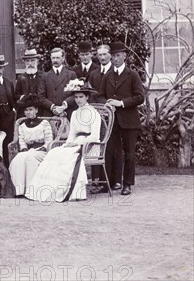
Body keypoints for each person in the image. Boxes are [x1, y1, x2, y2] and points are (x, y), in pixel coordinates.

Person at [27, 80, 101, 202]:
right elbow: (71, 134)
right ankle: (47, 190)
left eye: (81, 97)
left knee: (66, 157)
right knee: (54, 153)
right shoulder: (75, 113)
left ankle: (65, 191)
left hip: (89, 145)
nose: (78, 100)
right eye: (76, 97)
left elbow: (94, 136)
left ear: (87, 97)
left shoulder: (94, 113)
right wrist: (68, 143)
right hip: (74, 143)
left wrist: (76, 143)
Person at [98, 41, 145, 196]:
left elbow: (140, 97)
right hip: (112, 120)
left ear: (125, 56)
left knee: (129, 153)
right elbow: (100, 95)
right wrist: (107, 104)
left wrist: (122, 103)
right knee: (110, 150)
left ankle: (127, 184)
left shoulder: (132, 75)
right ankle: (110, 182)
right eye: (114, 56)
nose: (115, 59)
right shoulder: (107, 76)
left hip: (129, 121)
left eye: (118, 56)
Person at [8, 94, 54, 196]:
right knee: (18, 159)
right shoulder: (22, 125)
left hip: (42, 151)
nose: (28, 112)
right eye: (26, 110)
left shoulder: (44, 123)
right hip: (28, 151)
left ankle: (32, 190)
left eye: (30, 110)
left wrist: (43, 148)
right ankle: (19, 190)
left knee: (30, 158)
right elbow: (21, 141)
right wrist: (24, 149)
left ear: (36, 110)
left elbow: (49, 140)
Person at [38, 47, 78, 117]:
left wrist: (63, 106)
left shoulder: (71, 74)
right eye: (53, 58)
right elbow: (41, 97)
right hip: (49, 113)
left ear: (63, 59)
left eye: (57, 58)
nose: (55, 60)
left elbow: (75, 94)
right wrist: (53, 107)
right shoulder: (44, 76)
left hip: (67, 112)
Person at [15, 49, 43, 118]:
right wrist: (21, 97)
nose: (30, 64)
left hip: (41, 111)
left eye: (32, 60)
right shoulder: (20, 78)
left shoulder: (43, 77)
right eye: (27, 61)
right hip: (25, 112)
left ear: (37, 61)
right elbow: (16, 95)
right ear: (24, 63)